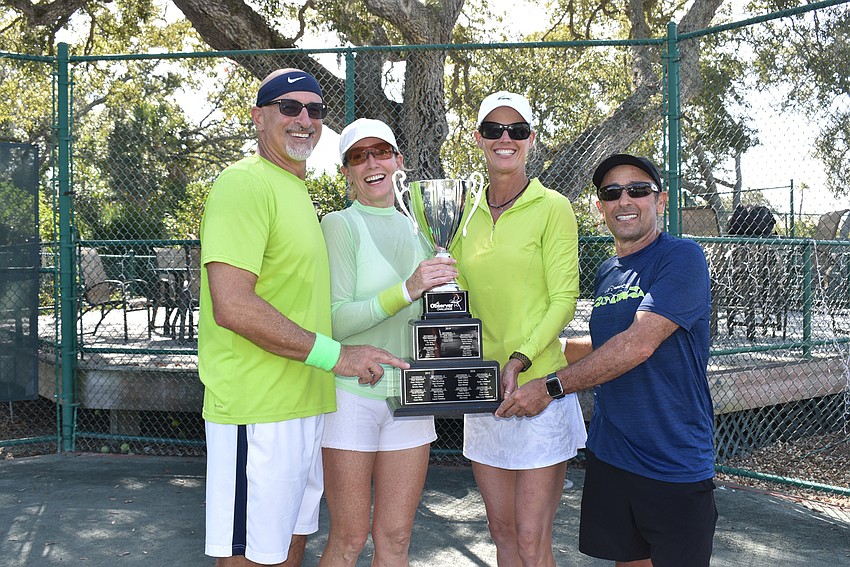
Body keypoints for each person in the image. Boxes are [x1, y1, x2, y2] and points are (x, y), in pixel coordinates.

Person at [199, 70, 408, 567]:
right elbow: (233, 305)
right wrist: (339, 356)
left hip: (304, 406)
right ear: (258, 116)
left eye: (315, 110)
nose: (304, 119)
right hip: (257, 411)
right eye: (288, 106)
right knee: (248, 556)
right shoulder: (243, 183)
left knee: (289, 548)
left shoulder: (295, 191)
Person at [497, 154, 717, 567]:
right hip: (614, 456)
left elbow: (638, 344)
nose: (624, 200)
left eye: (638, 190)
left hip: (674, 459)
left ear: (661, 200)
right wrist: (528, 356)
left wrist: (551, 385)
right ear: (600, 207)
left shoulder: (682, 257)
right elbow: (603, 345)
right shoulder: (608, 272)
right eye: (611, 193)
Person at [449, 91, 586, 567]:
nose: (504, 139)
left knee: (531, 539)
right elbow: (458, 294)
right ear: (479, 139)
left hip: (537, 390)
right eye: (493, 129)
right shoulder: (461, 213)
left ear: (531, 139)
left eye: (516, 130)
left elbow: (563, 299)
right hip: (481, 390)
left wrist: (521, 358)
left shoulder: (554, 207)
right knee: (502, 532)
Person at [317, 118, 458, 567]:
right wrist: (408, 289)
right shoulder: (339, 225)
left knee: (396, 538)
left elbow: (432, 320)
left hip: (411, 400)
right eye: (359, 156)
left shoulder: (424, 228)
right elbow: (336, 322)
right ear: (346, 172)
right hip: (350, 399)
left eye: (381, 152)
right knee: (349, 538)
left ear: (399, 162)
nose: (372, 163)